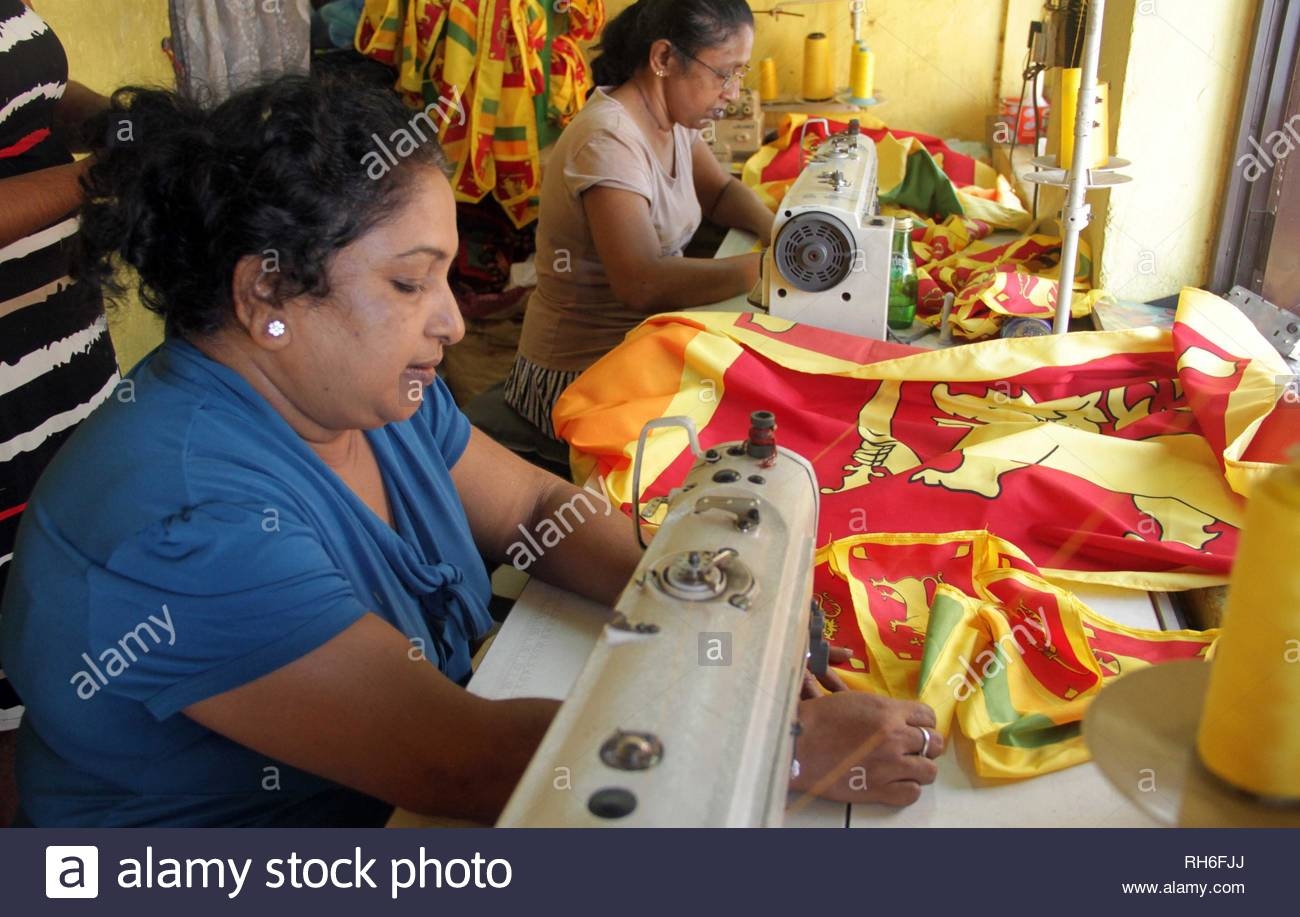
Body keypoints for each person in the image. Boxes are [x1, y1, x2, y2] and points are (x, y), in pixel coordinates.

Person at [0, 75, 941, 826]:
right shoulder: (182, 521)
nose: (453, 320)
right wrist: (787, 749)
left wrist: (706, 601)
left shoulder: (363, 395)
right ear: (265, 295)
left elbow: (538, 512)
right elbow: (466, 759)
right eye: (412, 283)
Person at [506, 0, 774, 438]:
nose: (732, 92)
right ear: (664, 57)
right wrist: (770, 269)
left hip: (635, 354)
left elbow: (721, 192)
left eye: (740, 73)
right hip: (578, 380)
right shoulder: (609, 138)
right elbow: (642, 282)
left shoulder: (676, 118)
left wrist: (780, 233)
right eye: (723, 73)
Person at [0, 0, 119, 746]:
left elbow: (33, 93)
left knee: (82, 582)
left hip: (63, 340)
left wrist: (123, 123)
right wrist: (101, 174)